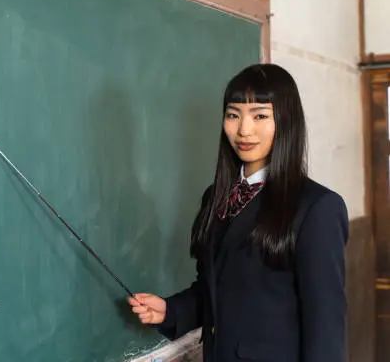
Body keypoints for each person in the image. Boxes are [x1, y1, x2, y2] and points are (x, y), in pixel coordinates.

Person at [128, 63, 349, 362]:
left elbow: (325, 331)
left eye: (260, 116)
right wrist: (170, 311)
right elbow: (218, 289)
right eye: (233, 115)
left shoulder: (317, 207)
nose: (244, 129)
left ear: (286, 121)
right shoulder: (216, 196)